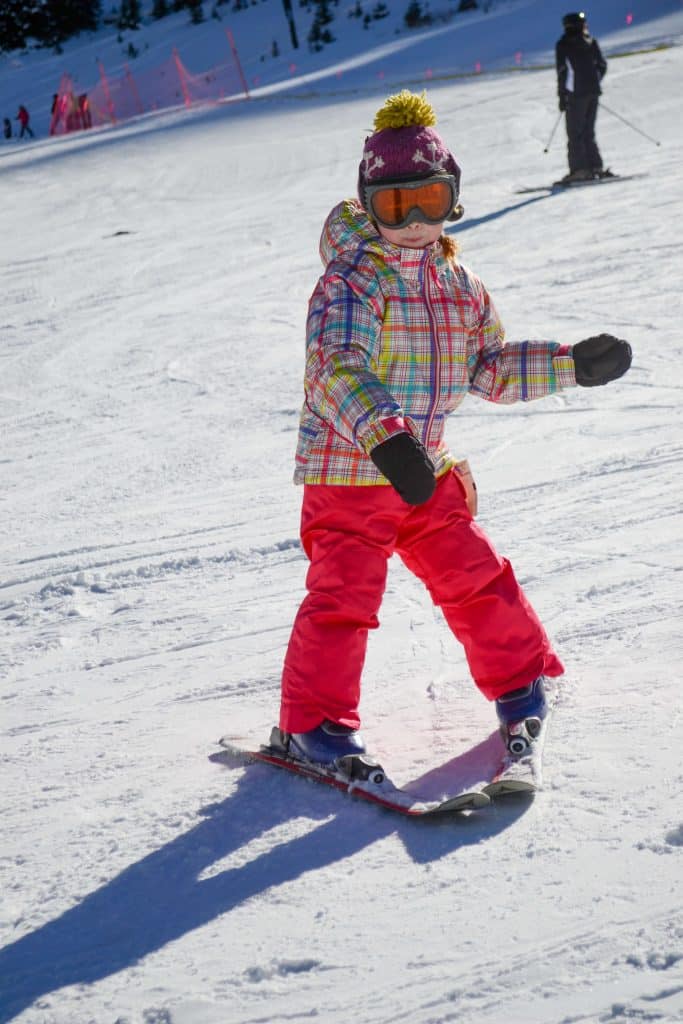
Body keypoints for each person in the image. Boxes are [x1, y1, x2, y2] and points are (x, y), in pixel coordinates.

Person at [275, 89, 631, 768]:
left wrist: (569, 367)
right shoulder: (352, 280)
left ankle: (518, 676)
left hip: (425, 468)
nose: (411, 221)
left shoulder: (459, 284)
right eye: (392, 205)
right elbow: (333, 365)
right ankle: (311, 724)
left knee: (474, 574)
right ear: (368, 203)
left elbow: (488, 369)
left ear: (452, 200)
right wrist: (384, 436)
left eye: (428, 203)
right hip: (351, 473)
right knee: (343, 599)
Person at [556, 11, 609, 182]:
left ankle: (580, 170)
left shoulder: (564, 44)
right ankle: (595, 167)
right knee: (588, 131)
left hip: (576, 95)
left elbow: (563, 71)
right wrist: (593, 82)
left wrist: (563, 96)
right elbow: (601, 65)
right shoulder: (590, 42)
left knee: (575, 133)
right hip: (593, 92)